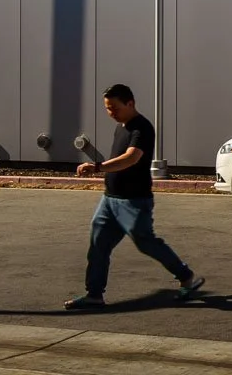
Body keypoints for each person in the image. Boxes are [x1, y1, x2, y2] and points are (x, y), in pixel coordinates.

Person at [65, 83, 204, 310]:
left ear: (130, 103)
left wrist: (98, 167)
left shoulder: (142, 128)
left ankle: (186, 276)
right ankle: (94, 295)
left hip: (134, 201)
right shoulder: (121, 126)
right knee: (98, 245)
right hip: (110, 200)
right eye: (107, 108)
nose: (111, 113)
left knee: (146, 243)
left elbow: (131, 158)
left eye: (115, 108)